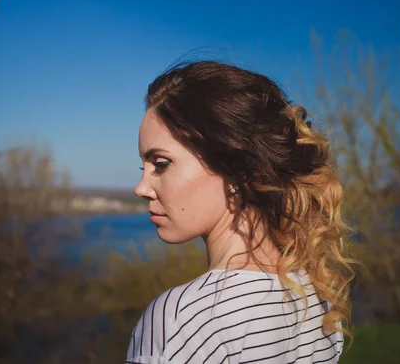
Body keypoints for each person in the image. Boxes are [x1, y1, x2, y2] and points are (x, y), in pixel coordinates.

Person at [126, 60, 356, 364]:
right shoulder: (318, 302)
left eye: (161, 164)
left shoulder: (181, 318)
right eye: (144, 167)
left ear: (236, 171)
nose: (140, 188)